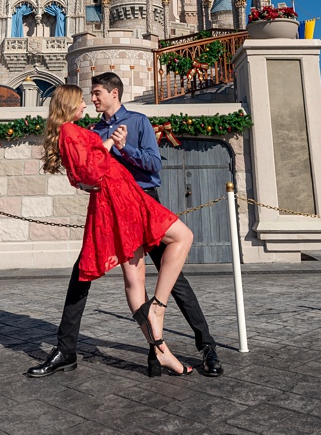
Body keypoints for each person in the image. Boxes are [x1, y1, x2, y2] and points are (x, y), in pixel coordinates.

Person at [27, 73, 223, 378]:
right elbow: (85, 169)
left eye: (96, 93)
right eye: (88, 95)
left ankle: (206, 345)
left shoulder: (138, 121)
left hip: (144, 201)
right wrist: (85, 184)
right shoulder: (89, 130)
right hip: (112, 207)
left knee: (175, 281)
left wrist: (122, 148)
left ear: (113, 93)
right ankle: (72, 349)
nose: (91, 99)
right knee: (95, 277)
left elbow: (153, 165)